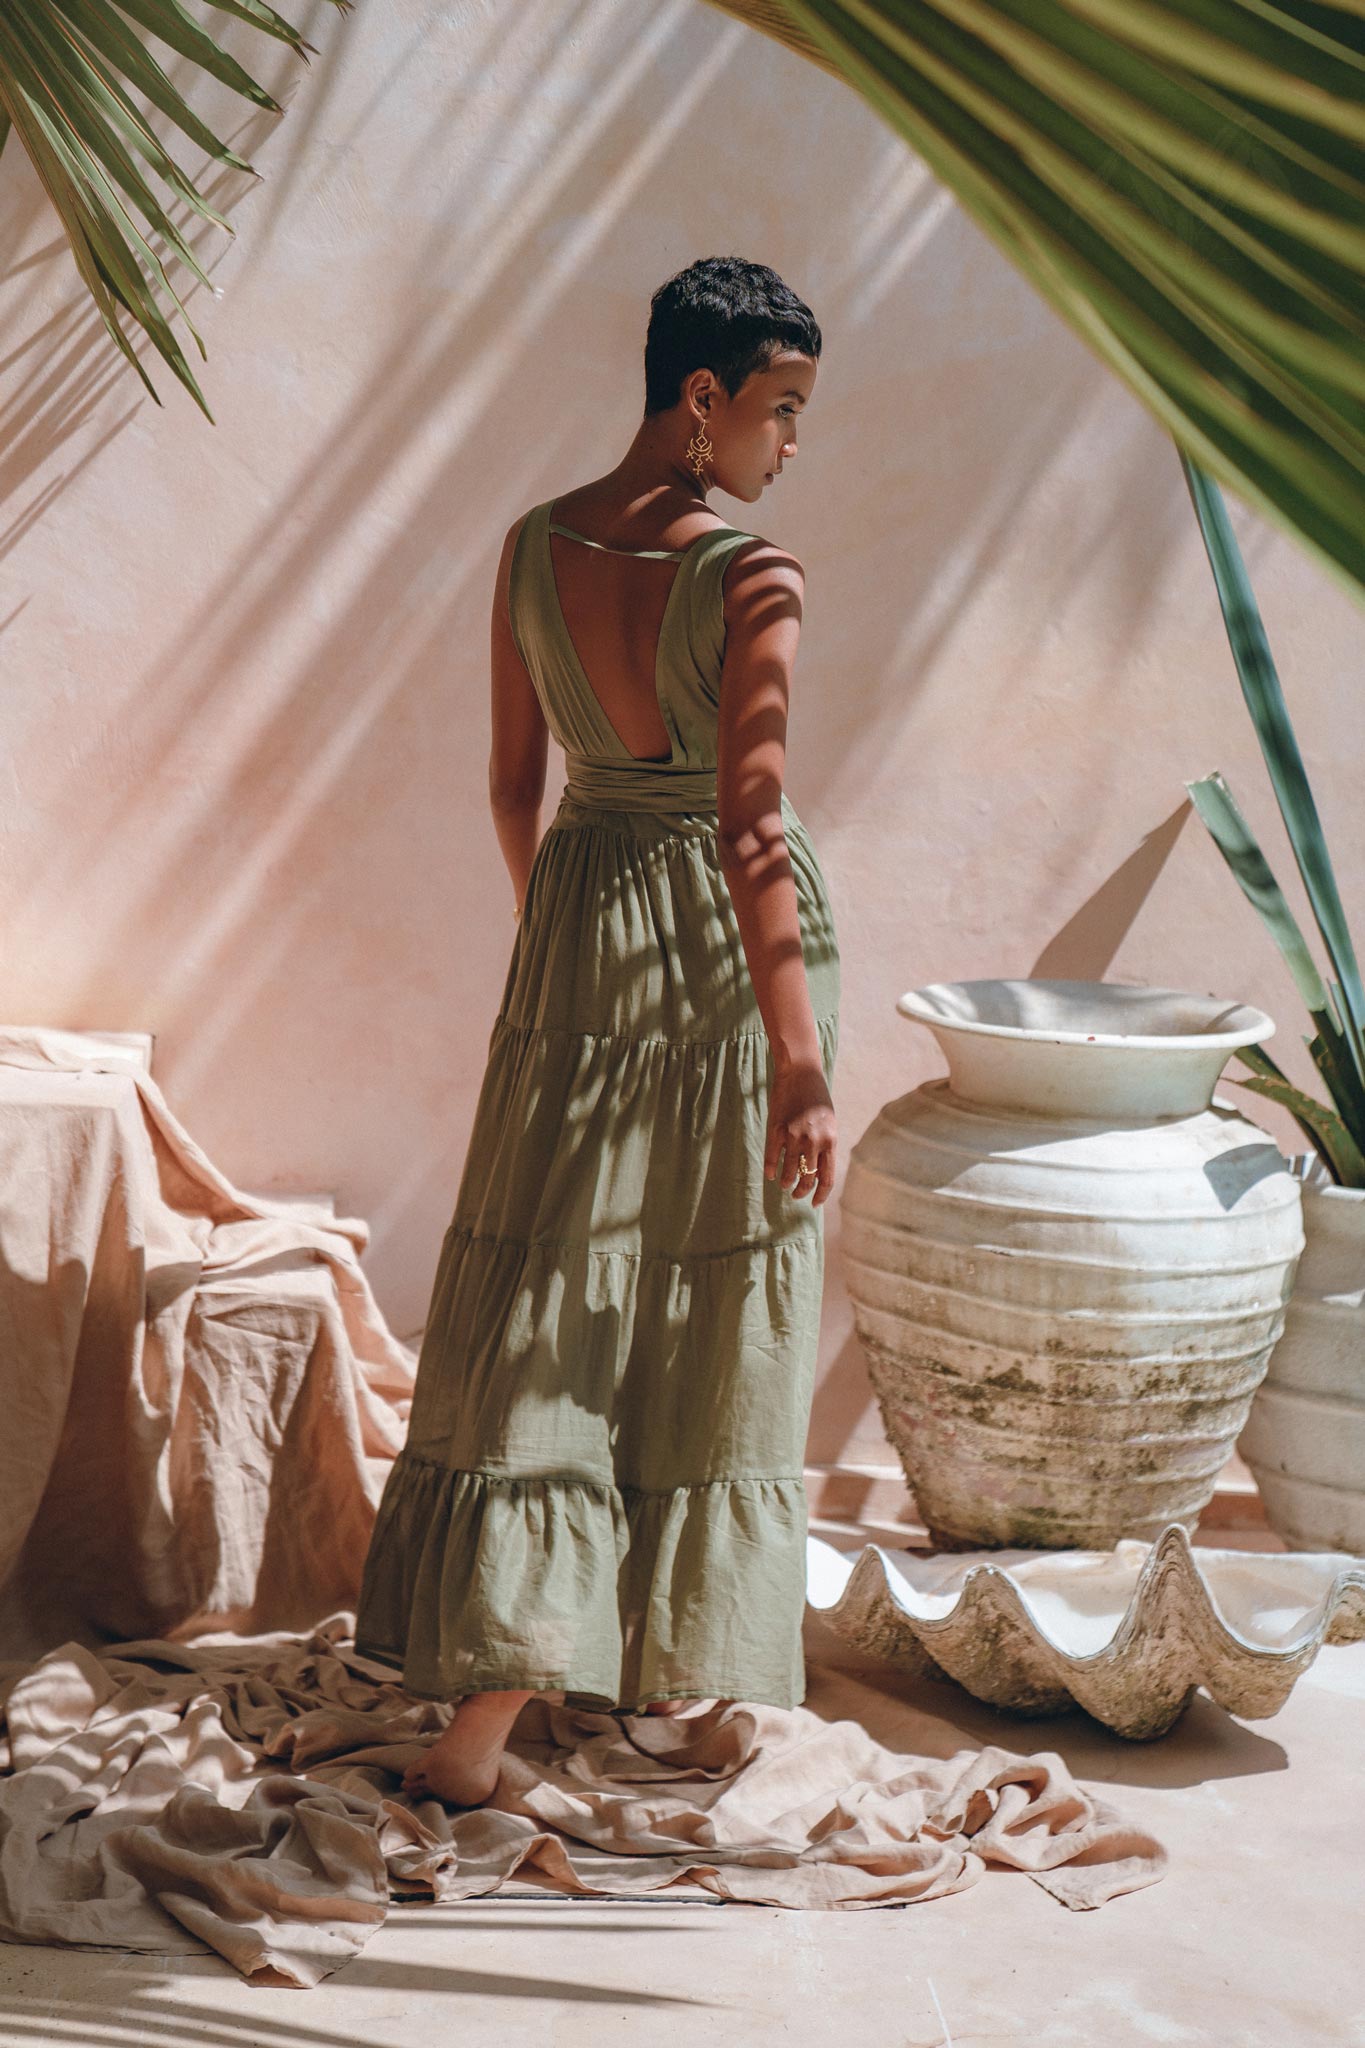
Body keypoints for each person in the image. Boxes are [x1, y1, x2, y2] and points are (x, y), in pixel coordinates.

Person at [355, 255, 841, 1807]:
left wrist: (561, 940)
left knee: (562, 1289)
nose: (787, 446)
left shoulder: (528, 546)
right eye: (780, 411)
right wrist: (801, 1061)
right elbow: (749, 826)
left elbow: (512, 784)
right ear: (703, 400)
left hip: (578, 932)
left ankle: (607, 1687)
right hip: (721, 965)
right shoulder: (750, 575)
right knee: (698, 1305)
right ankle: (492, 1727)